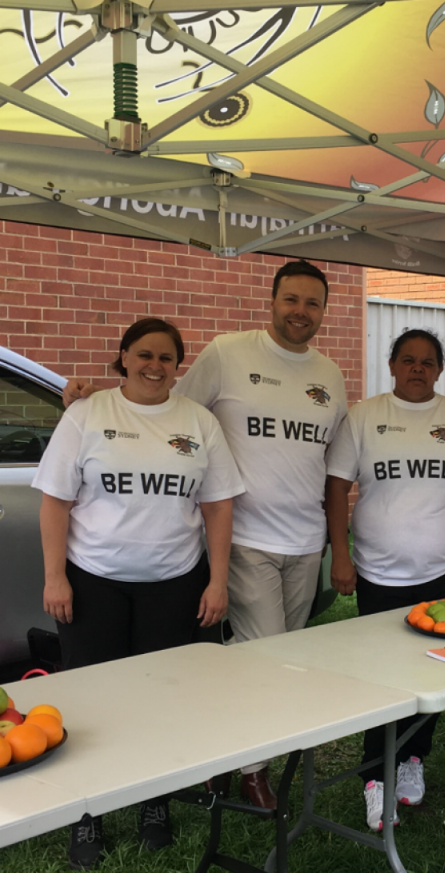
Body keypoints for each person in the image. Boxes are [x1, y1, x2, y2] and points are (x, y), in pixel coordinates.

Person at [62, 260, 348, 809]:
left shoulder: (330, 374)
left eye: (313, 303)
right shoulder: (228, 352)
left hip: (306, 540)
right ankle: (248, 768)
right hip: (244, 535)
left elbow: (326, 456)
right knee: (263, 654)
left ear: (323, 311)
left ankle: (240, 743)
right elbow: (162, 404)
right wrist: (93, 394)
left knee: (285, 655)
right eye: (291, 299)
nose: (300, 312)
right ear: (271, 301)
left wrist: (335, 541)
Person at [35, 318, 244, 870]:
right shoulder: (88, 414)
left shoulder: (198, 422)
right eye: (145, 354)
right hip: (92, 581)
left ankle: (153, 801)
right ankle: (88, 812)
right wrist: (55, 577)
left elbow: (218, 505)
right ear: (123, 357)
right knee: (90, 702)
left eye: (167, 358)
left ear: (179, 366)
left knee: (160, 697)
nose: (155, 366)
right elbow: (55, 501)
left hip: (173, 583)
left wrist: (217, 581)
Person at [325, 328, 445, 831]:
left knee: (432, 671)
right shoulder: (363, 417)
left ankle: (411, 761)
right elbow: (337, 487)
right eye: (408, 360)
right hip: (380, 573)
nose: (418, 369)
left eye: (428, 362)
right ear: (392, 365)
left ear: (440, 370)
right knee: (383, 676)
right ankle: (373, 776)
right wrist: (340, 554)